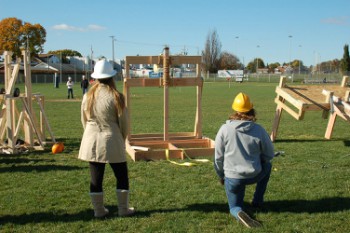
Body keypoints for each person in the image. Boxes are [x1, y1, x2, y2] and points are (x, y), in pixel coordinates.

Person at [78, 59, 135, 218]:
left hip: (91, 139)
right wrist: (121, 139)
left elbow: (84, 120)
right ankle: (123, 209)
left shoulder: (87, 96)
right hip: (112, 138)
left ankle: (98, 211)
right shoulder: (117, 96)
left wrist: (90, 135)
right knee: (121, 175)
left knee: (96, 178)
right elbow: (124, 123)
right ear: (111, 76)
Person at [214, 92, 274, 228]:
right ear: (251, 110)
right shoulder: (259, 130)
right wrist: (261, 160)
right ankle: (258, 201)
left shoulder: (224, 129)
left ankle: (238, 211)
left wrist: (221, 175)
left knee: (234, 206)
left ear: (235, 110)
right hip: (255, 174)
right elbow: (269, 154)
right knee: (268, 166)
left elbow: (218, 158)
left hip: (233, 178)